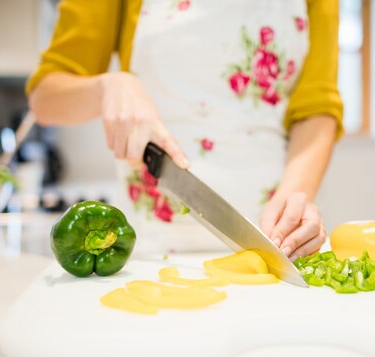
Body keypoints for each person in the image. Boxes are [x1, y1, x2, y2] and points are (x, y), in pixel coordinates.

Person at [27, 0, 343, 260]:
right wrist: (107, 87)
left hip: (275, 244)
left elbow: (316, 109)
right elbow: (45, 98)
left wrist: (294, 199)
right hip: (151, 247)